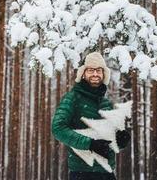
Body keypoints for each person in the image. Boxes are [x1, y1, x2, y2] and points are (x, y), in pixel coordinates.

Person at [51, 52, 130, 180]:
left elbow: (105, 140)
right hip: (82, 172)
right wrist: (89, 144)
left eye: (99, 70)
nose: (95, 74)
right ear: (83, 74)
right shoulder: (72, 99)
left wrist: (120, 140)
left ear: (104, 74)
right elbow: (58, 128)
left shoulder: (106, 103)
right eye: (90, 70)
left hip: (107, 172)